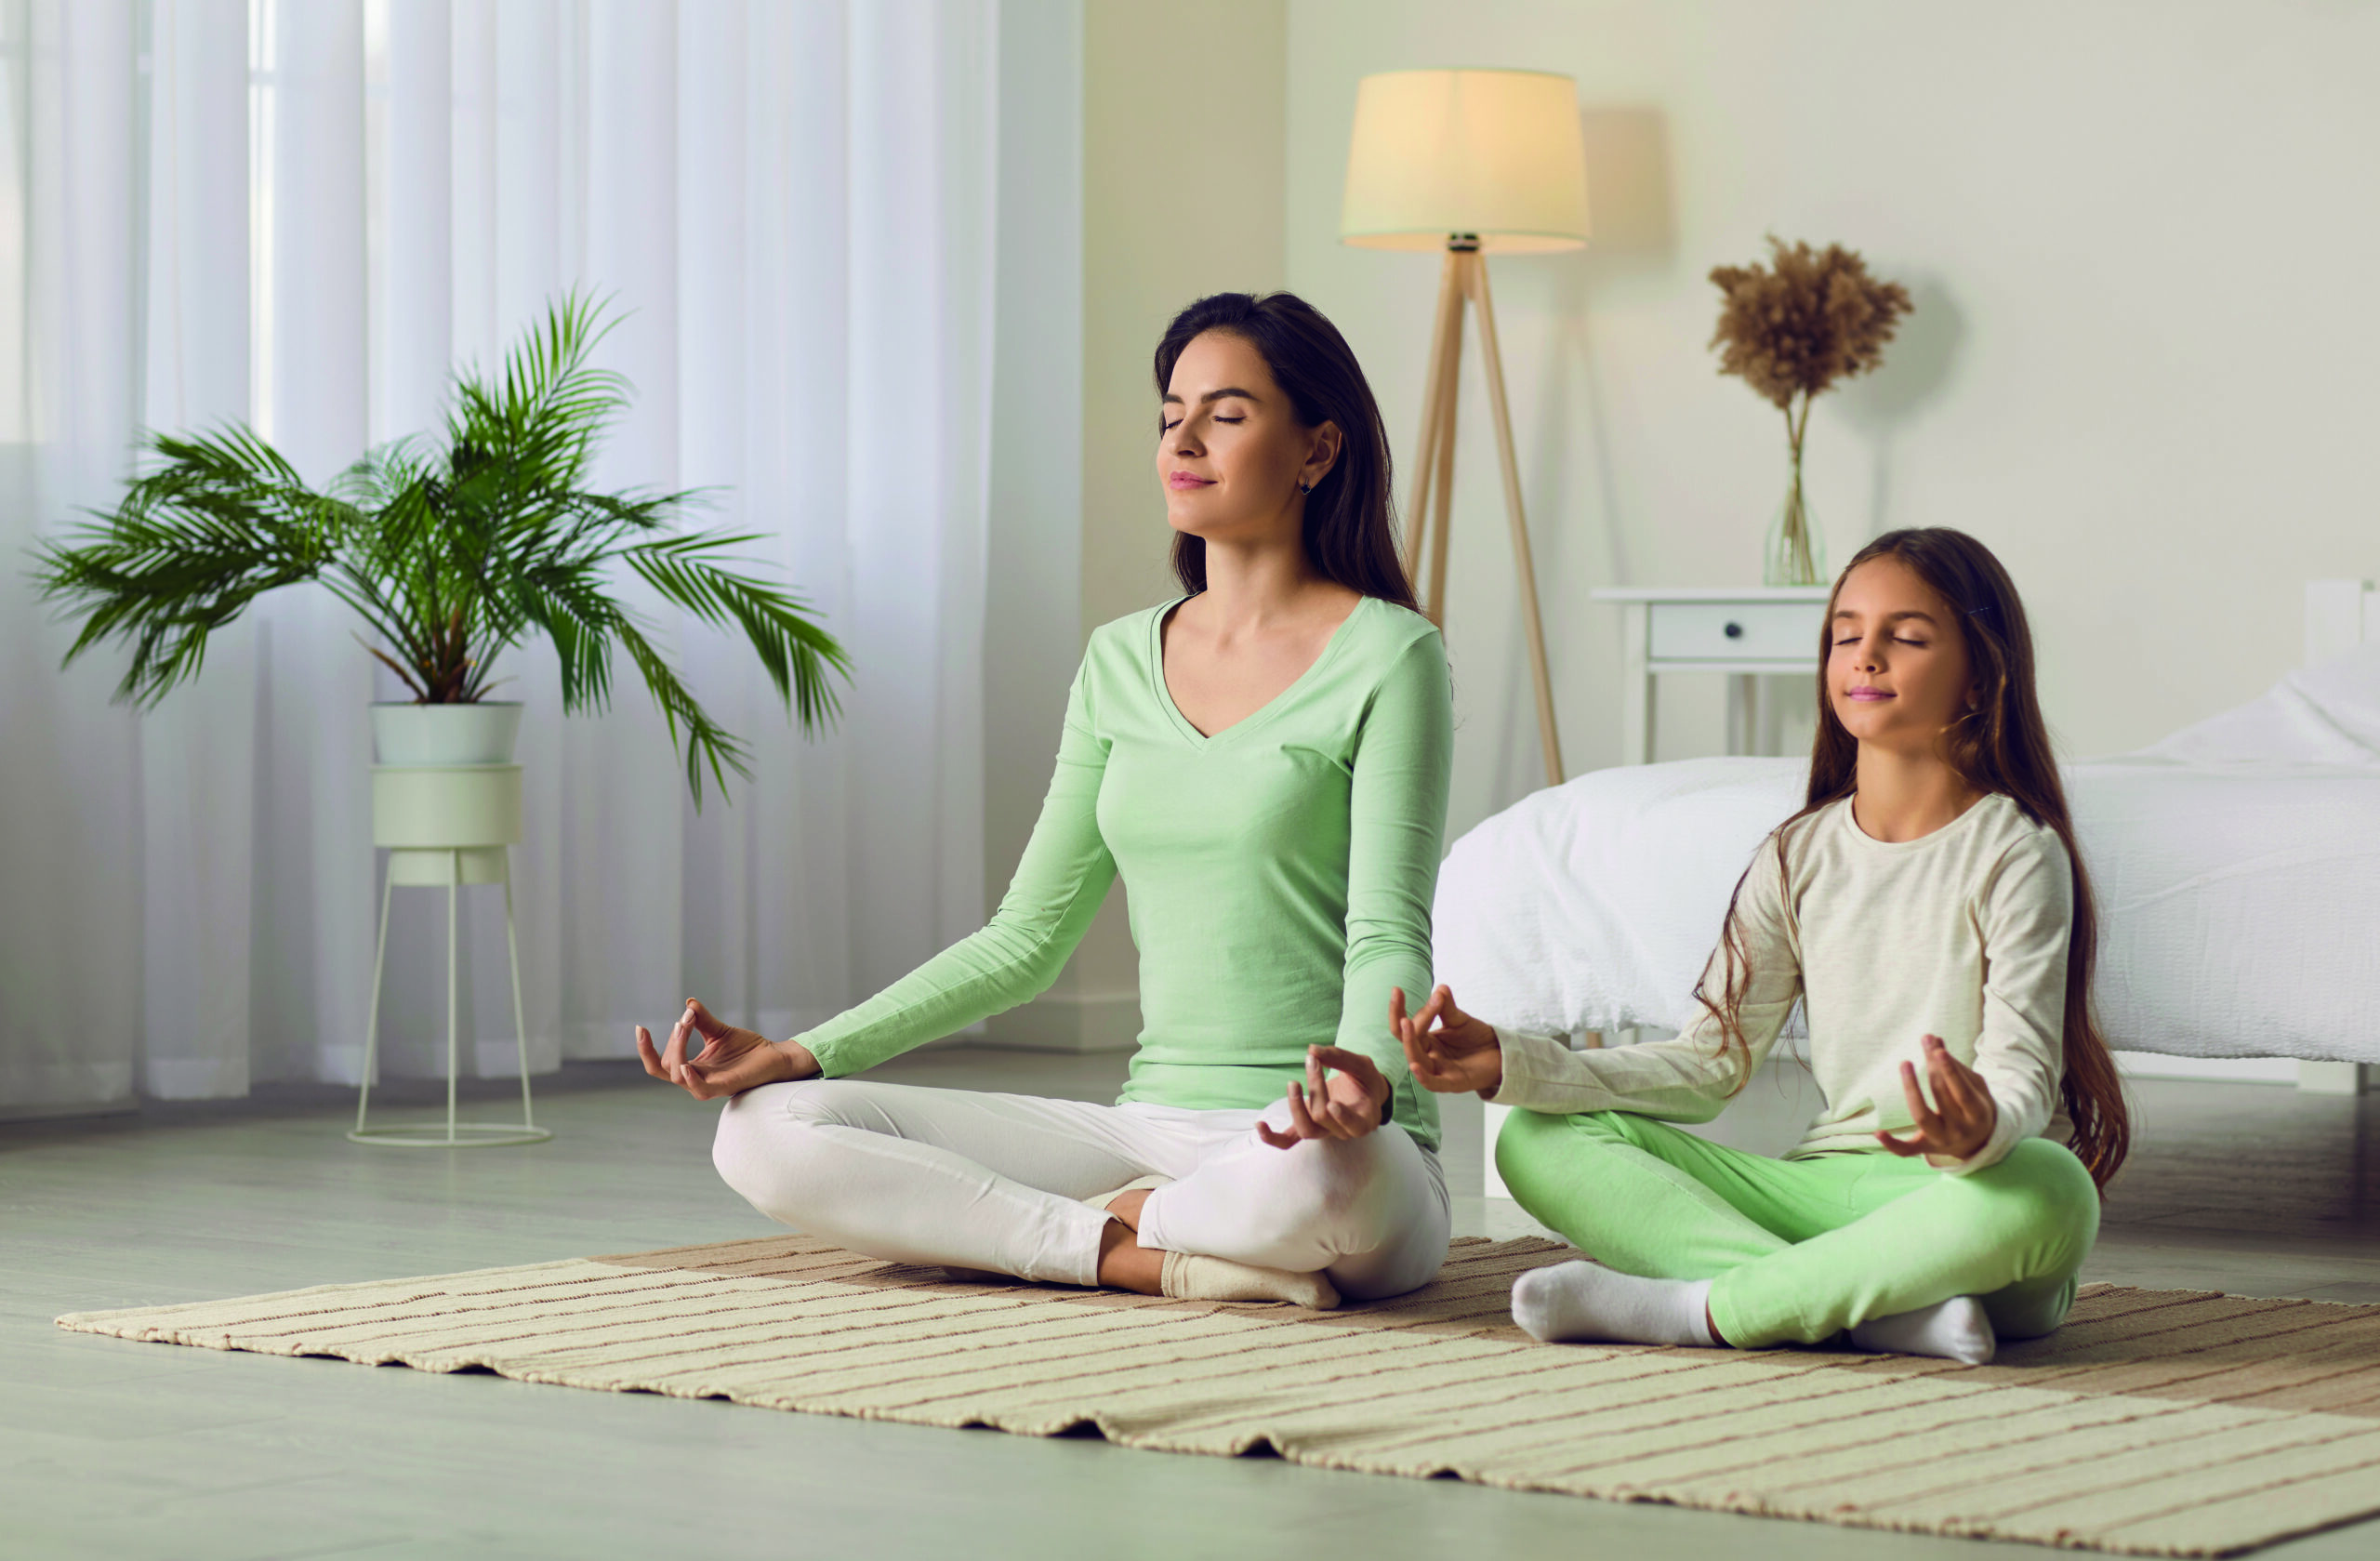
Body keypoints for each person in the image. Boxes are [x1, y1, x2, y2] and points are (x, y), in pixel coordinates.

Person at [639, 291, 1454, 1308]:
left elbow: (1387, 930)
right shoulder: (1120, 659)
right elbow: (1024, 937)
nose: (1182, 439)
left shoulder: (1390, 655)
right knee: (764, 1131)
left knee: (1335, 1181)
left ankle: (1092, 1228)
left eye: (1227, 414)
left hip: (1326, 1144)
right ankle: (1136, 1254)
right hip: (1147, 1130)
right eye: (1170, 413)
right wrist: (805, 1052)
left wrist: (1363, 1083)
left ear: (1317, 450)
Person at [1396, 527, 2126, 1363]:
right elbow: (1709, 1062)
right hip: (1821, 1188)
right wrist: (1509, 1061)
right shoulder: (1797, 854)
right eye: (1847, 635)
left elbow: (2023, 1072)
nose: (1868, 656)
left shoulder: (2015, 850)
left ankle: (1710, 1309)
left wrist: (1981, 1128)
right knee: (1533, 1136)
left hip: (1960, 1195)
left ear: (1980, 676)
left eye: (1908, 636)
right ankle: (1860, 1308)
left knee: (2055, 1190)